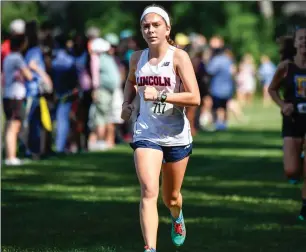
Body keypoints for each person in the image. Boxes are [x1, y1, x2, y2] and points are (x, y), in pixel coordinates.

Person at [121, 5, 200, 252]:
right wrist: (127, 103)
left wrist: (163, 97)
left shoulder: (179, 57)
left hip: (176, 134)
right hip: (147, 132)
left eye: (156, 25)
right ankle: (150, 248)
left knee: (171, 197)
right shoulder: (137, 58)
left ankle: (177, 217)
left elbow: (195, 97)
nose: (151, 30)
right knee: (148, 190)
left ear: (167, 29)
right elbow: (131, 80)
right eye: (146, 26)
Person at [268, 27, 306, 221]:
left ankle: (305, 206)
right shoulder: (286, 66)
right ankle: (297, 160)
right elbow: (272, 89)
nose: (304, 42)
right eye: (301, 39)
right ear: (296, 42)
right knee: (292, 171)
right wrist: (283, 105)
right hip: (292, 121)